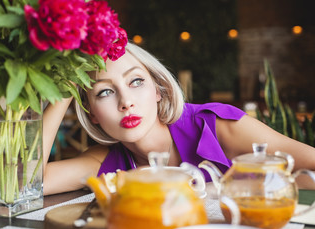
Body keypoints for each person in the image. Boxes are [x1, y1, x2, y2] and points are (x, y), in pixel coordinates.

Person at [43, 42, 315, 195]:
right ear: (93, 114)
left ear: (159, 90)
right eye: (104, 92)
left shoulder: (216, 126)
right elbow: (24, 187)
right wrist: (61, 94)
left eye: (136, 81)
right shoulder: (102, 161)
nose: (126, 102)